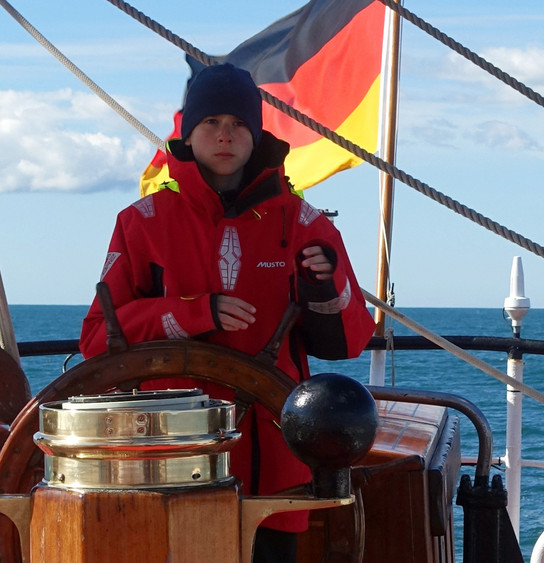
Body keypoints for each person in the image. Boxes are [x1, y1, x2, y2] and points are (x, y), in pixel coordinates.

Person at [78, 62, 376, 562]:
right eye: (211, 122)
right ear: (187, 133)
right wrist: (195, 313)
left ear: (256, 134)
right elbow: (95, 341)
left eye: (238, 124)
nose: (225, 135)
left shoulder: (304, 223)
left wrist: (324, 288)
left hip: (275, 466)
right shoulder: (140, 223)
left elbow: (346, 345)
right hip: (167, 459)